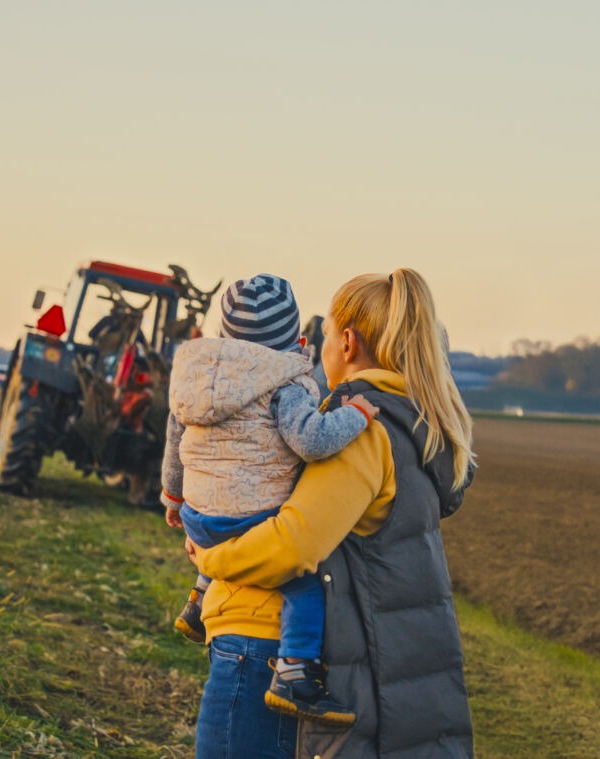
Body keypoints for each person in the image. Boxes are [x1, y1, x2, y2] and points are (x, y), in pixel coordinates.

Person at [190, 268, 476, 759]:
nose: (316, 349)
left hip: (265, 648)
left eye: (322, 336)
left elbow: (294, 544)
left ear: (347, 343)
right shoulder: (411, 425)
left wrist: (209, 559)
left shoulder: (358, 429)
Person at [159, 273, 379, 726]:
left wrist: (173, 496)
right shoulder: (286, 382)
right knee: (302, 581)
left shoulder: (195, 379)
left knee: (218, 531)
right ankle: (295, 672)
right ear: (297, 340)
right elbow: (311, 441)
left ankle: (200, 600)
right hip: (252, 520)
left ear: (223, 338)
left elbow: (174, 437)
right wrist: (354, 415)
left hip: (199, 516)